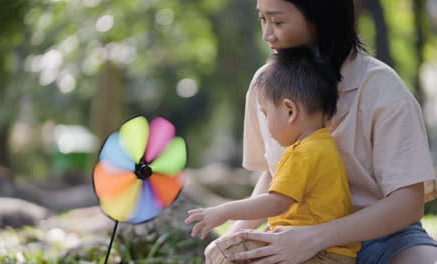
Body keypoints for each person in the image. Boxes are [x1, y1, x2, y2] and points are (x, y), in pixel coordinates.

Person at [203, 0, 437, 264]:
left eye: (277, 21)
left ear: (321, 18)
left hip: (385, 238)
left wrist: (315, 237)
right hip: (291, 235)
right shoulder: (265, 85)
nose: (267, 34)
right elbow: (275, 175)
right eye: (262, 19)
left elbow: (408, 202)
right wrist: (234, 237)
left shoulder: (383, 87)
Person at [186, 46, 360, 264]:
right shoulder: (325, 145)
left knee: (221, 252)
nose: (265, 123)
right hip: (335, 253)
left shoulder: (302, 153)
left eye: (266, 113)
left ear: (290, 111)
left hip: (317, 254)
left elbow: (276, 203)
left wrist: (225, 211)